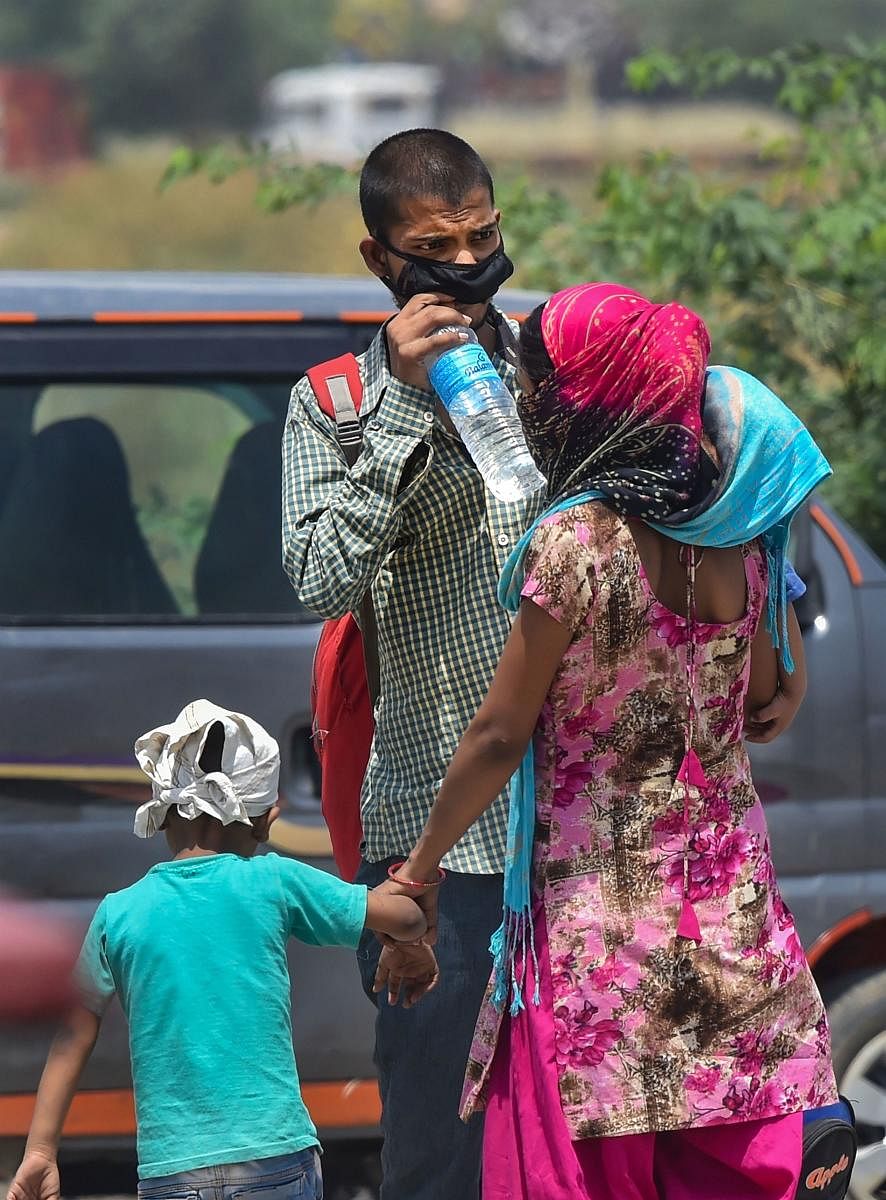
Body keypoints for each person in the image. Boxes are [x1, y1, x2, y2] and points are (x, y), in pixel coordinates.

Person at [383, 283, 839, 1200]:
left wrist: (416, 873)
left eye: (542, 378)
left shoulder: (577, 542)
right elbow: (752, 697)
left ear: (585, 395)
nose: (526, 398)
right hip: (731, 927)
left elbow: (502, 731)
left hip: (600, 949)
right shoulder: (737, 542)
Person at [282, 129, 541, 1198]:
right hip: (438, 841)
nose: (469, 259)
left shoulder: (550, 366)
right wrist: (399, 402)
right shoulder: (334, 402)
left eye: (483, 233)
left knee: (579, 1143)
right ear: (381, 259)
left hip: (570, 822)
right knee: (443, 1151)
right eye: (438, 244)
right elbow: (317, 582)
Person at [6, 700, 430, 1200]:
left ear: (163, 813)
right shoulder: (273, 880)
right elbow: (405, 916)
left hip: (171, 1172)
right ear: (264, 821)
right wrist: (409, 940)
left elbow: (71, 1037)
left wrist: (39, 1152)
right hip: (274, 1158)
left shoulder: (117, 913)